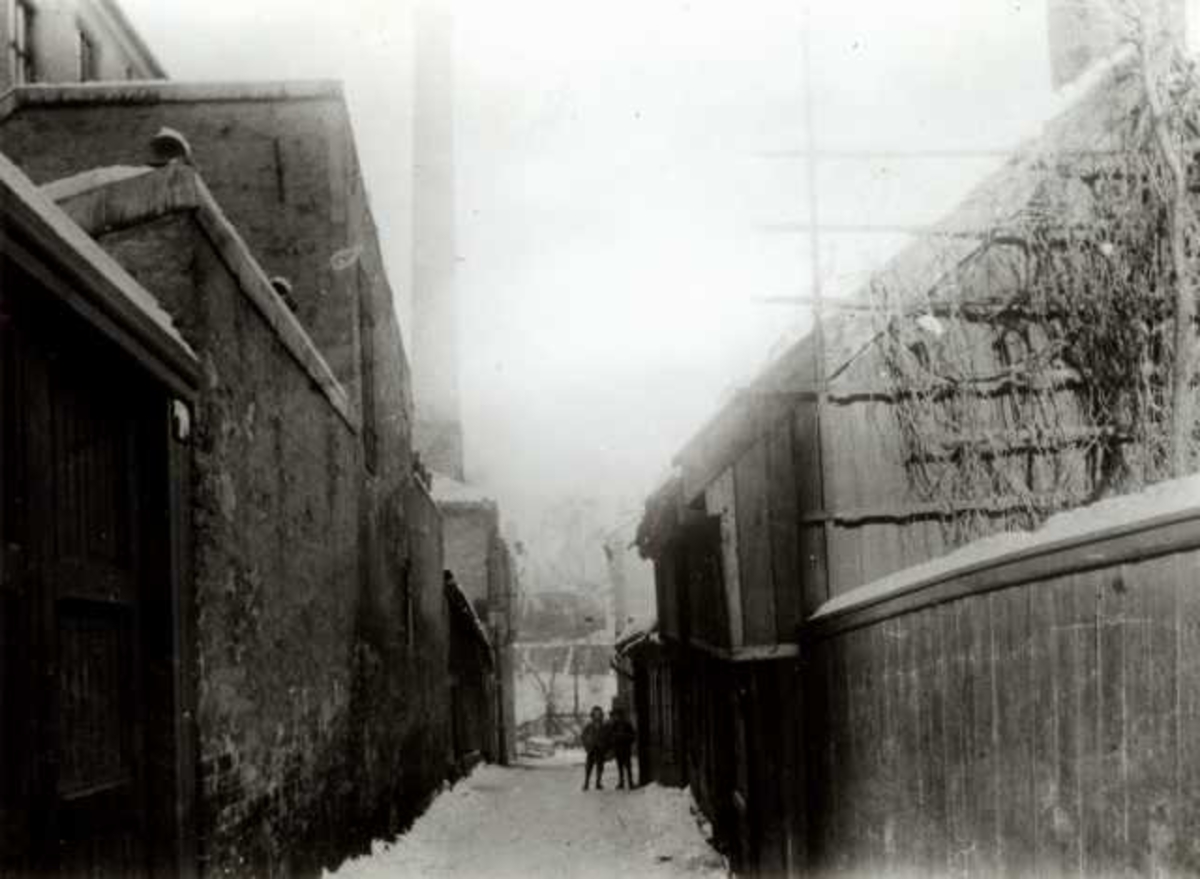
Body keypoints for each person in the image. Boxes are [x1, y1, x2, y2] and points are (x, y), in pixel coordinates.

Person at [608, 706, 636, 790]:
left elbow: (633, 735)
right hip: (618, 749)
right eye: (616, 716)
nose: (617, 717)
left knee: (628, 766)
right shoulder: (614, 725)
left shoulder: (627, 724)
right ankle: (621, 782)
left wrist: (625, 738)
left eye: (618, 715)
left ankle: (630, 782)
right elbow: (610, 736)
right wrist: (615, 739)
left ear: (622, 716)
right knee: (619, 767)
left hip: (626, 748)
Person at [581, 706, 608, 790]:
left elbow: (608, 737)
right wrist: (587, 746)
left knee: (600, 767)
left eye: (599, 714)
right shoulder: (589, 726)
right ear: (592, 715)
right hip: (591, 749)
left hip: (600, 749)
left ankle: (598, 782)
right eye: (595, 714)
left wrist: (605, 746)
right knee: (589, 766)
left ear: (601, 715)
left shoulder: (604, 726)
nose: (597, 716)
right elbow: (583, 736)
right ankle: (586, 783)